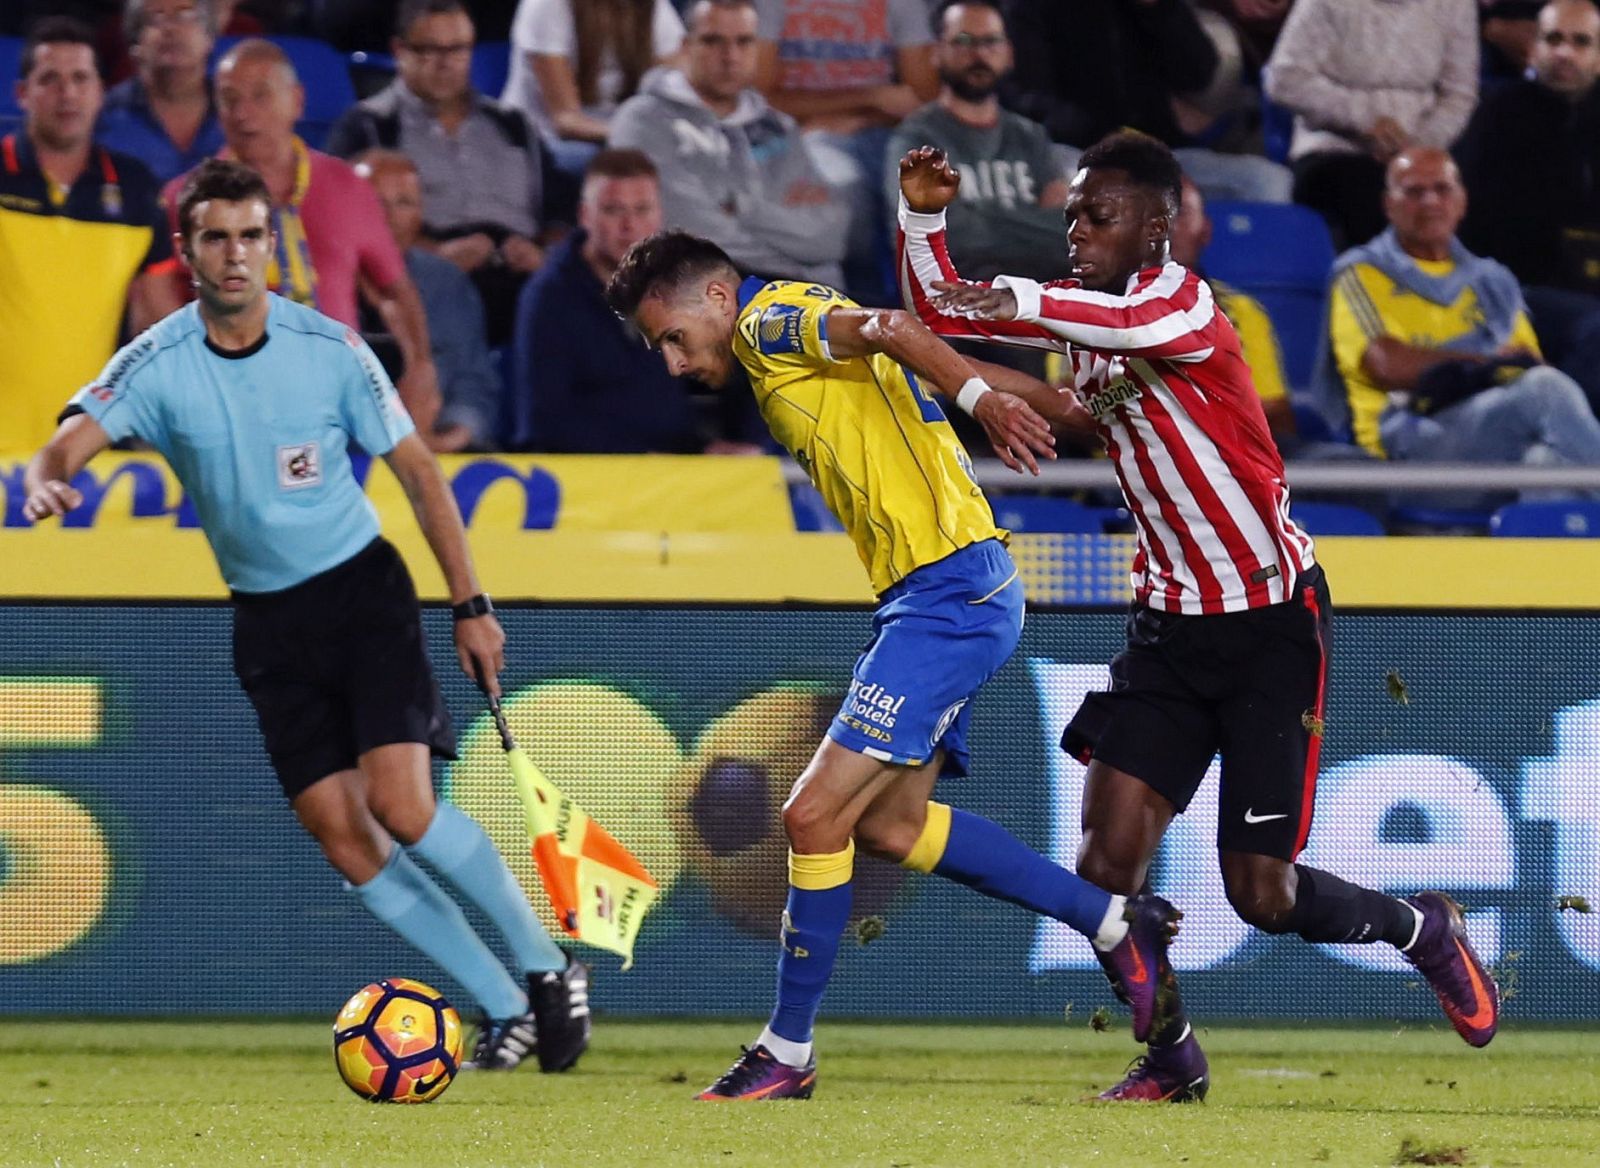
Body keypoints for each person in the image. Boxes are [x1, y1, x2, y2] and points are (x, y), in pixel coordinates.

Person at [897, 133, 1501, 1102]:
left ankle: (1421, 928)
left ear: (1154, 227)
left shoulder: (1177, 303)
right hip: (1168, 627)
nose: (1077, 231)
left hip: (1269, 623)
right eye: (1070, 217)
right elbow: (1026, 363)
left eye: (1097, 216)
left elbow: (998, 310)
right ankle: (1171, 1055)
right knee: (1105, 867)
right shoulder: (1093, 323)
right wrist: (923, 219)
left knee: (1259, 894)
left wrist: (973, 312)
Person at [21, 158, 589, 1075]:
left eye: (251, 234)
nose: (236, 254)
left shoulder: (326, 347)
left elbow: (418, 474)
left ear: (272, 242)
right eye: (216, 237)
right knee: (344, 836)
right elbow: (63, 447)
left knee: (403, 808)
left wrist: (471, 605)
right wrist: (50, 487)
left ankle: (546, 964)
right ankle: (500, 1008)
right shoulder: (159, 361)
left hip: (361, 595)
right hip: (267, 623)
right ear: (187, 250)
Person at [605, 226, 1185, 1101]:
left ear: (718, 299)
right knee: (892, 828)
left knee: (808, 819)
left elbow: (892, 327)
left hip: (948, 596)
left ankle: (787, 1052)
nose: (675, 365)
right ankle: (1112, 921)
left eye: (673, 338)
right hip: (944, 595)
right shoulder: (784, 331)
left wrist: (983, 396)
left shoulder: (768, 326)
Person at [167, 38, 445, 440]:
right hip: (229, 408)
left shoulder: (347, 186)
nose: (243, 113)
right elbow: (162, 302)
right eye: (229, 99)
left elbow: (393, 291)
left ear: (297, 101)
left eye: (260, 96)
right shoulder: (185, 197)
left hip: (335, 404)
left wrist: (420, 366)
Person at [1312, 147, 1600, 497]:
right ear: (1389, 205)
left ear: (1462, 201)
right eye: (1415, 191)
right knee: (1544, 391)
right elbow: (1386, 364)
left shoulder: (1493, 281)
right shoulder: (1361, 274)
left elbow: (1524, 362)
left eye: (1442, 189)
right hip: (1407, 452)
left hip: (1493, 438)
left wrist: (1472, 367)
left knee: (1545, 464)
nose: (1431, 201)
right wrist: (1485, 362)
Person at [0, 18, 182, 452]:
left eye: (81, 78)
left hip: (83, 462)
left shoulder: (137, 192)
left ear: (101, 92)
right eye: (51, 79)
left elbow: (157, 321)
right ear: (23, 94)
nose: (68, 93)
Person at [327, 0, 555, 345]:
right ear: (398, 50)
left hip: (522, 279)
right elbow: (347, 225)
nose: (446, 63)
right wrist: (435, 254)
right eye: (429, 50)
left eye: (457, 50)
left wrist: (543, 256)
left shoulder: (514, 125)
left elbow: (563, 210)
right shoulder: (368, 126)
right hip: (422, 281)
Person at [509, 148, 764, 452]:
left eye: (642, 210)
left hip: (680, 473)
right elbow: (545, 423)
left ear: (660, 216)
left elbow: (744, 363)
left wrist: (742, 443)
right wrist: (660, 455)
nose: (629, 226)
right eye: (613, 210)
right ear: (584, 216)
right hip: (591, 480)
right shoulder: (548, 298)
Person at [607, 0, 851, 287]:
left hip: (805, 300)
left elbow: (829, 238)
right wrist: (789, 265)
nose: (730, 56)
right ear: (686, 47)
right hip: (706, 296)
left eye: (744, 42)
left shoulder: (778, 127)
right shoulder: (643, 121)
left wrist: (741, 208)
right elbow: (687, 235)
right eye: (713, 41)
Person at [999, 0, 1292, 205]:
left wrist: (1160, 10)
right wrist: (1101, 135)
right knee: (1070, 184)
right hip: (1073, 152)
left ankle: (1240, 291)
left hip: (1159, 154)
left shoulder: (1147, 8)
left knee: (1269, 182)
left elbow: (1198, 75)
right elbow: (1025, 99)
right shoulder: (1030, 6)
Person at [1455, 0, 1600, 411]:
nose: (1564, 52)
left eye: (1580, 42)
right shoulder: (1499, 114)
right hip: (1520, 288)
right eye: (1553, 39)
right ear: (1534, 48)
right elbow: (1477, 225)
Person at [1264, 0, 1479, 249]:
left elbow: (1459, 94)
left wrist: (1417, 149)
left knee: (1472, 196)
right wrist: (1363, 121)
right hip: (1333, 148)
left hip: (1423, 152)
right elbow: (1285, 80)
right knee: (1374, 195)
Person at [881, 1, 1069, 285]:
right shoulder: (917, 140)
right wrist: (1037, 218)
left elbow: (1071, 232)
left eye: (991, 41)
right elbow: (931, 241)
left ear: (1009, 53)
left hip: (1044, 298)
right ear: (936, 53)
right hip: (962, 302)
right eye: (963, 41)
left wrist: (980, 218)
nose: (979, 53)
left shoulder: (1030, 136)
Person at [356, 149, 505, 452]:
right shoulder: (315, 283)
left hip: (437, 446)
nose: (389, 217)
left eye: (404, 203)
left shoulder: (447, 284)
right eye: (375, 202)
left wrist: (448, 440)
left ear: (421, 213)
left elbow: (474, 383)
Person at [501, 0, 686, 176]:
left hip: (617, 136)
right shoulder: (547, 6)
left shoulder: (654, 7)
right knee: (597, 162)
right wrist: (633, 133)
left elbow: (671, 91)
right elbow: (566, 121)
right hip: (543, 140)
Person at [97, 0, 226, 184]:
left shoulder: (237, 110)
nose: (171, 29)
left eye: (186, 15)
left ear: (209, 38)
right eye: (156, 18)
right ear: (135, 45)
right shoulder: (103, 115)